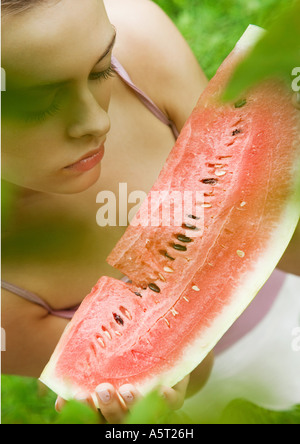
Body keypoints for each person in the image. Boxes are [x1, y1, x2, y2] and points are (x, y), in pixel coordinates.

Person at [1, 0, 299, 425]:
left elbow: (250, 205)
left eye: (101, 68)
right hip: (223, 377)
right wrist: (141, 393)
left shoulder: (139, 38)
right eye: (37, 104)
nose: (95, 122)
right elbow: (190, 375)